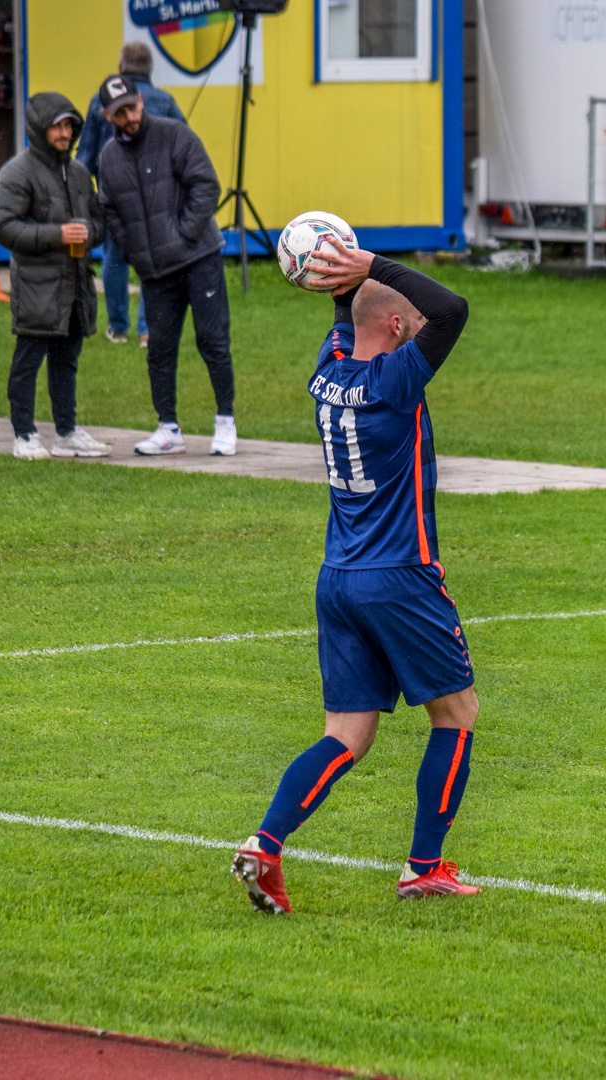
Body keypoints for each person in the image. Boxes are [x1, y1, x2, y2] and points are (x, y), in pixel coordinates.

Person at [230, 239, 478, 913]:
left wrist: (341, 278)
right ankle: (423, 868)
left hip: (337, 576)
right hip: (400, 576)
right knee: (456, 714)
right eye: (412, 323)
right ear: (397, 326)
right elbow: (452, 309)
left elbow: (350, 319)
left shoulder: (329, 370)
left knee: (346, 734)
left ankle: (265, 844)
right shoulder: (398, 380)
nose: (422, 329)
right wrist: (370, 267)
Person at [94, 75, 237, 457]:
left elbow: (206, 186)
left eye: (132, 107)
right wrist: (134, 251)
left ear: (141, 101)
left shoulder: (174, 134)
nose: (129, 117)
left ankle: (225, 421)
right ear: (108, 116)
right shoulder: (108, 157)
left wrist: (182, 235)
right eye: (120, 113)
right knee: (158, 348)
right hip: (155, 272)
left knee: (212, 340)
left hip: (199, 258)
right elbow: (109, 209)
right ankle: (168, 428)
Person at [0, 93, 112, 461]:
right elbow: (3, 225)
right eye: (57, 126)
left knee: (66, 361)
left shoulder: (79, 173)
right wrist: (57, 235)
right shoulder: (17, 171)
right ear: (38, 129)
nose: (65, 133)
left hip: (75, 285)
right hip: (37, 287)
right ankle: (23, 434)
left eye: (69, 125)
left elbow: (99, 223)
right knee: (28, 361)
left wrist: (89, 232)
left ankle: (67, 433)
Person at [76, 43, 186, 347]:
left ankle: (118, 328)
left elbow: (85, 156)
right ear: (150, 68)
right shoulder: (165, 101)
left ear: (120, 67)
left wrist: (80, 195)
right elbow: (183, 146)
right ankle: (147, 331)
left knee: (114, 258)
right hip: (157, 196)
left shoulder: (100, 102)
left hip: (115, 195)